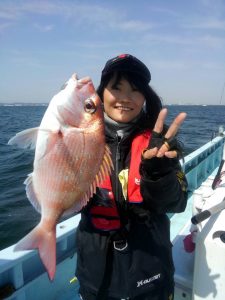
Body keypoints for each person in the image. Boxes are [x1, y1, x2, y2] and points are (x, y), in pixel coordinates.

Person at [75, 54, 188, 300]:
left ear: (144, 97)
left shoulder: (159, 144)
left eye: (135, 91)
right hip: (96, 277)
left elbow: (177, 203)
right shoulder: (80, 139)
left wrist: (159, 173)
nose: (126, 98)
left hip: (151, 273)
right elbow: (67, 202)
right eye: (117, 88)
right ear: (102, 94)